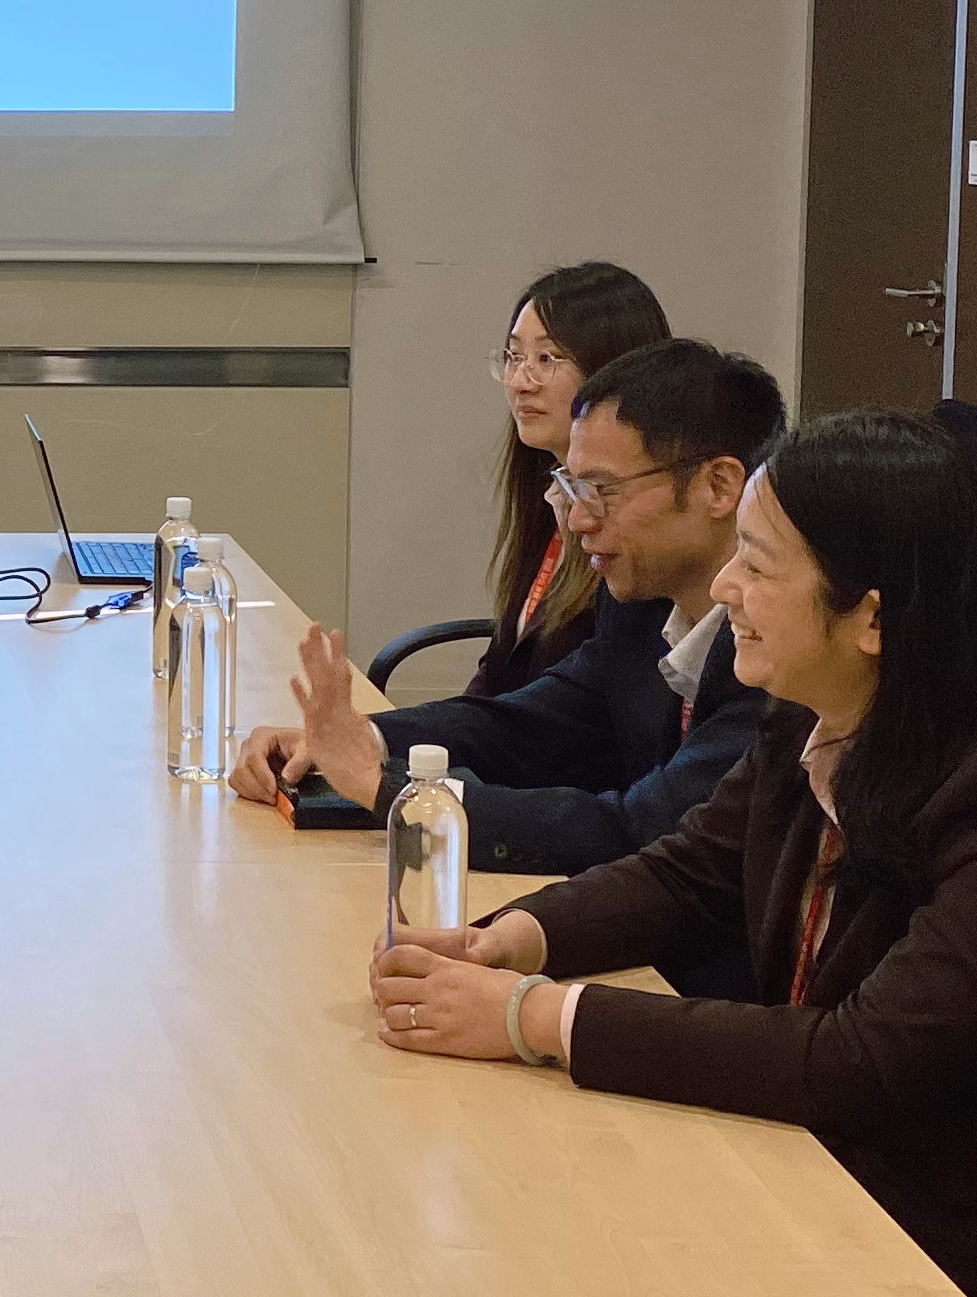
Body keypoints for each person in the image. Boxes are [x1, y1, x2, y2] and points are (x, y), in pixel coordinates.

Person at [366, 409, 977, 1297]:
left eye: (757, 563)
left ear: (871, 617)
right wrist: (509, 941)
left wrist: (532, 1018)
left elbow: (860, 1060)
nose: (725, 587)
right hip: (845, 1172)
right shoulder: (824, 706)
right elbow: (691, 872)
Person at [234, 340, 783, 916]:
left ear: (718, 487)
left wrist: (395, 792)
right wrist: (356, 738)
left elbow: (638, 830)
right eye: (573, 488)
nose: (577, 519)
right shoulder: (642, 602)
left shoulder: (776, 651)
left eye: (601, 491)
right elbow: (528, 724)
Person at [450, 262, 670, 700]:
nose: (520, 382)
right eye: (514, 357)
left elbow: (576, 710)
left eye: (546, 359)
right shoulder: (549, 491)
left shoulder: (639, 528)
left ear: (611, 370)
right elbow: (501, 667)